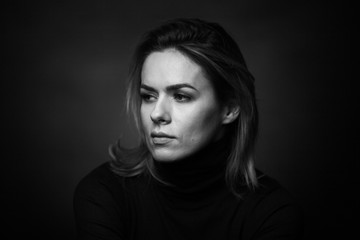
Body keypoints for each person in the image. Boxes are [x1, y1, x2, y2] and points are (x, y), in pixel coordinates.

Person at [73, 18, 304, 240]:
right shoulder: (105, 193)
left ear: (230, 109)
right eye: (148, 96)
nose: (157, 113)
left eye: (181, 96)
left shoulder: (271, 212)